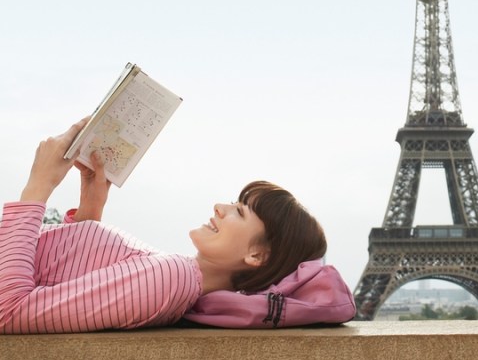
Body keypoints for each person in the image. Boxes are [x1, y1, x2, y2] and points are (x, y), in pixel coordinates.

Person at [0, 118, 353, 334]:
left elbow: (10, 309)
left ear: (257, 254)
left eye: (240, 212)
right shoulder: (176, 275)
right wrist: (92, 206)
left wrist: (38, 186)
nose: (220, 206)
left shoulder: (172, 278)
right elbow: (65, 283)